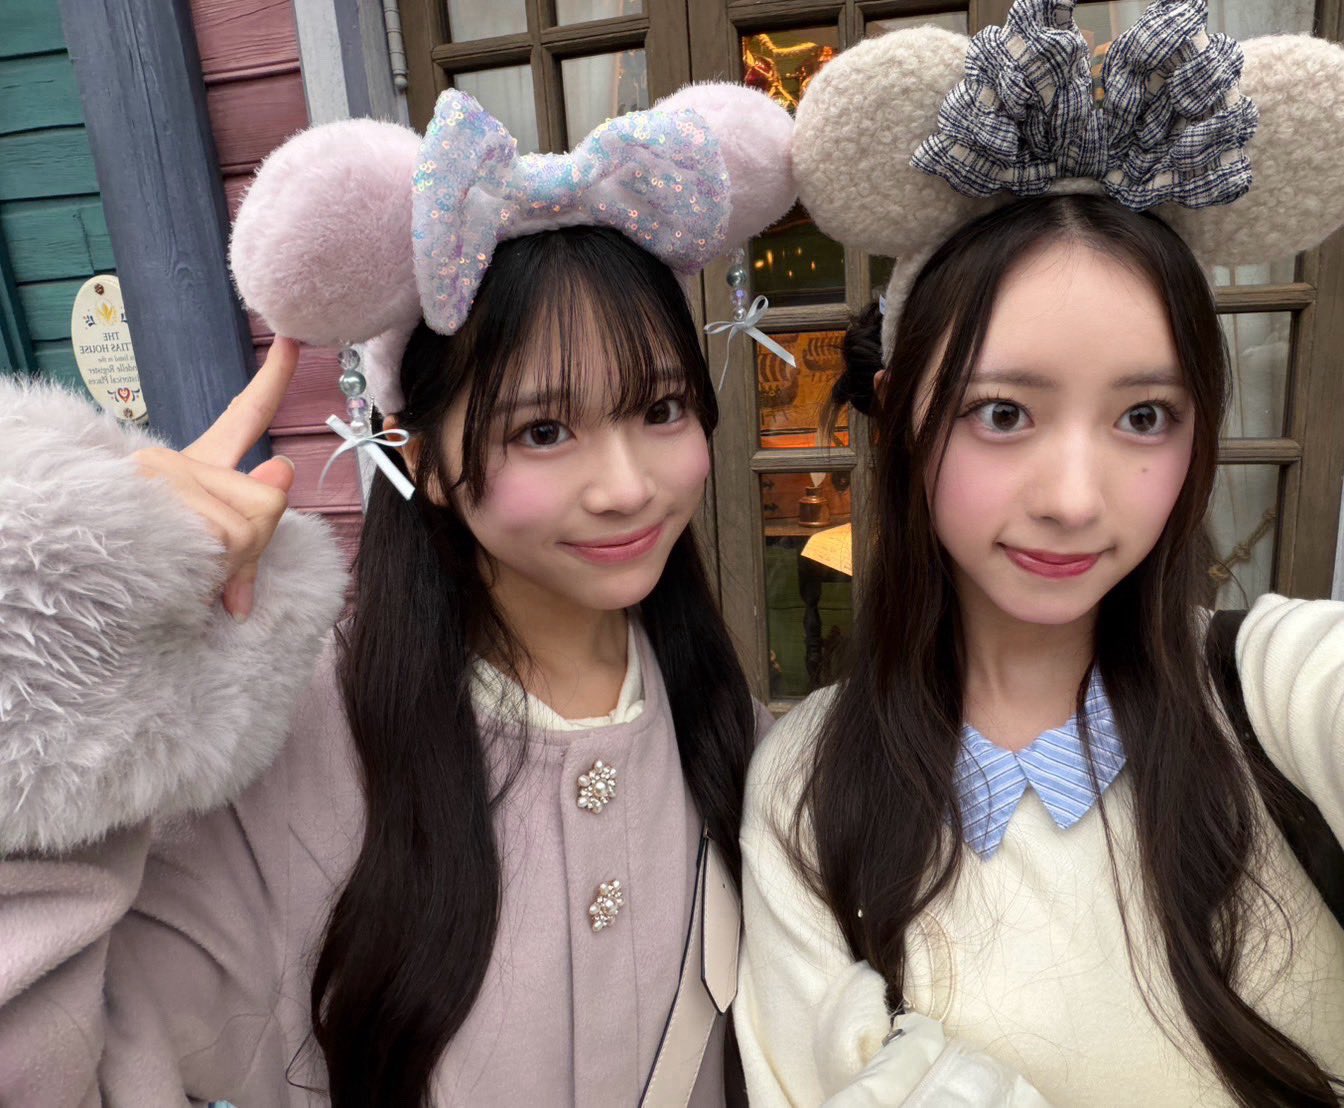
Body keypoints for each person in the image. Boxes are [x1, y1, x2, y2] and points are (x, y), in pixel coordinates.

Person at [734, 5, 1344, 1105]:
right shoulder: (810, 785)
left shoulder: (1288, 684)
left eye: (1142, 418)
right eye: (1001, 413)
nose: (1075, 501)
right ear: (896, 415)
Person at [0, 83, 794, 1106]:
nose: (626, 485)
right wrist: (73, 632)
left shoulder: (735, 733)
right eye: (543, 430)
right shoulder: (292, 762)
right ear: (421, 459)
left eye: (662, 408)